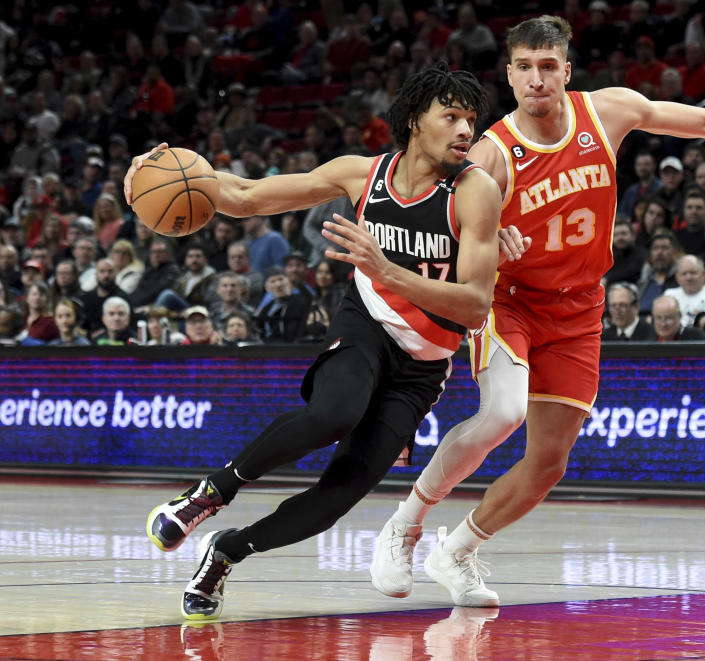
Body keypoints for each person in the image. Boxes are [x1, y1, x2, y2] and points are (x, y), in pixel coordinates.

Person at [369, 15, 705, 609]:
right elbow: (440, 227)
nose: (537, 79)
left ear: (566, 69)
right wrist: (486, 233)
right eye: (524, 67)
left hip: (582, 306)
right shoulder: (492, 153)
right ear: (509, 75)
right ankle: (404, 524)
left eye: (547, 66)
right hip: (512, 303)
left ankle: (456, 550)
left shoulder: (608, 112)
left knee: (548, 462)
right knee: (504, 413)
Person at [127, 64, 501, 620]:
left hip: (424, 362)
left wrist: (386, 267)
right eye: (452, 116)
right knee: (335, 412)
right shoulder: (361, 174)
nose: (466, 130)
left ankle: (227, 551)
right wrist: (170, 170)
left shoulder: (475, 192)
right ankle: (210, 492)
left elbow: (474, 305)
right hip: (366, 324)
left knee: (336, 499)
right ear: (416, 122)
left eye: (472, 119)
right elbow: (247, 196)